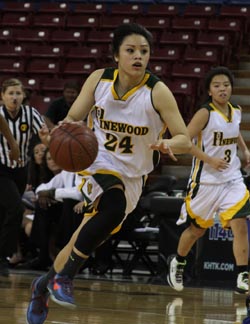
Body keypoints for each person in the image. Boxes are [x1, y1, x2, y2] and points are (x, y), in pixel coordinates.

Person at [26, 23, 192, 324]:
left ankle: (44, 285)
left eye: (144, 51)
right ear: (116, 55)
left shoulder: (158, 92)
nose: (138, 56)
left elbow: (184, 139)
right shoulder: (99, 80)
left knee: (87, 235)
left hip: (133, 176)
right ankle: (65, 279)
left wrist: (169, 142)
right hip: (96, 159)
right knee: (112, 207)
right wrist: (58, 132)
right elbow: (74, 117)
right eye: (130, 50)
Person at [167, 66, 250, 295]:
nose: (223, 89)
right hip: (205, 181)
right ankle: (179, 261)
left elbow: (235, 132)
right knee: (197, 231)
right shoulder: (204, 113)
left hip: (231, 177)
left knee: (240, 224)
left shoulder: (236, 110)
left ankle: (243, 274)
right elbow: (185, 141)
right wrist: (208, 159)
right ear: (210, 91)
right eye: (217, 85)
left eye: (226, 84)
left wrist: (245, 150)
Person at [0, 78, 44, 276]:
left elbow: (45, 135)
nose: (14, 97)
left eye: (18, 93)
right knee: (16, 208)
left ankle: (2, 258)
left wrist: (52, 141)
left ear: (24, 96)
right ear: (2, 96)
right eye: (10, 93)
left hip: (20, 170)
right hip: (0, 168)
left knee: (5, 213)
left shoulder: (30, 114)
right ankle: (5, 255)